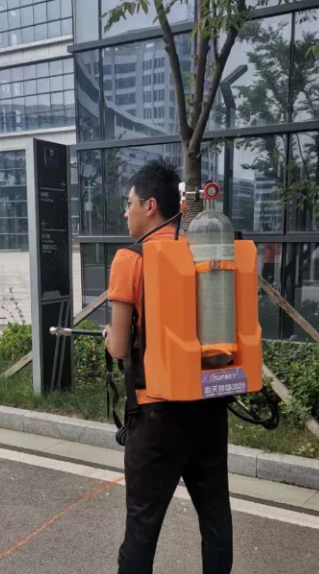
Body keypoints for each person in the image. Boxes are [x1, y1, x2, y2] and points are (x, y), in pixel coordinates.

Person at [104, 160, 233, 574]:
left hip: (156, 413)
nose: (126, 212)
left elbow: (119, 348)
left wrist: (109, 336)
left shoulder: (130, 259)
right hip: (209, 404)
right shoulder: (203, 250)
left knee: (142, 526)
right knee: (216, 518)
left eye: (130, 203)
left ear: (150, 206)